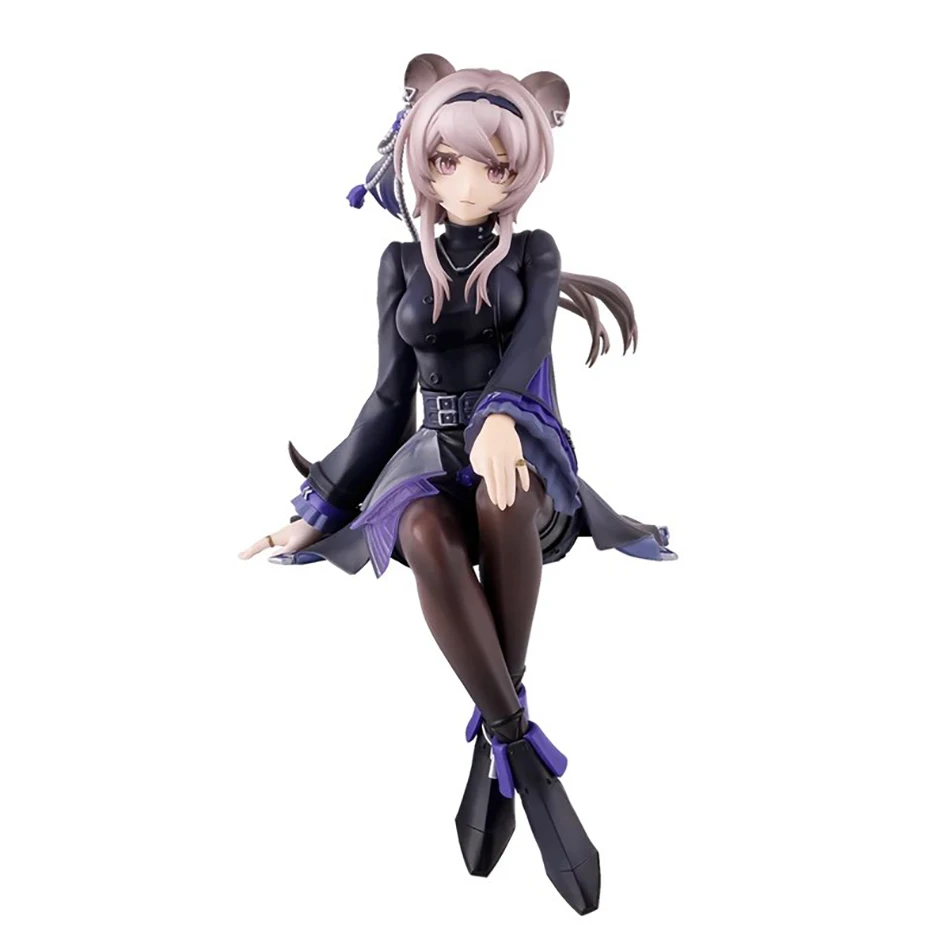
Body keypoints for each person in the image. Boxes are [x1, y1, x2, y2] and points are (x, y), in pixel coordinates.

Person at [239, 54, 676, 915]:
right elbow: (386, 399)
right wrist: (316, 509)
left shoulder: (535, 254)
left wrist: (503, 417)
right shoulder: (401, 264)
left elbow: (527, 348)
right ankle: (521, 753)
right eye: (447, 160)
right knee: (420, 528)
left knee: (498, 493)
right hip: (427, 463)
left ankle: (498, 745)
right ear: (421, 159)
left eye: (495, 166)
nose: (469, 182)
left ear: (522, 171)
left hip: (516, 458)